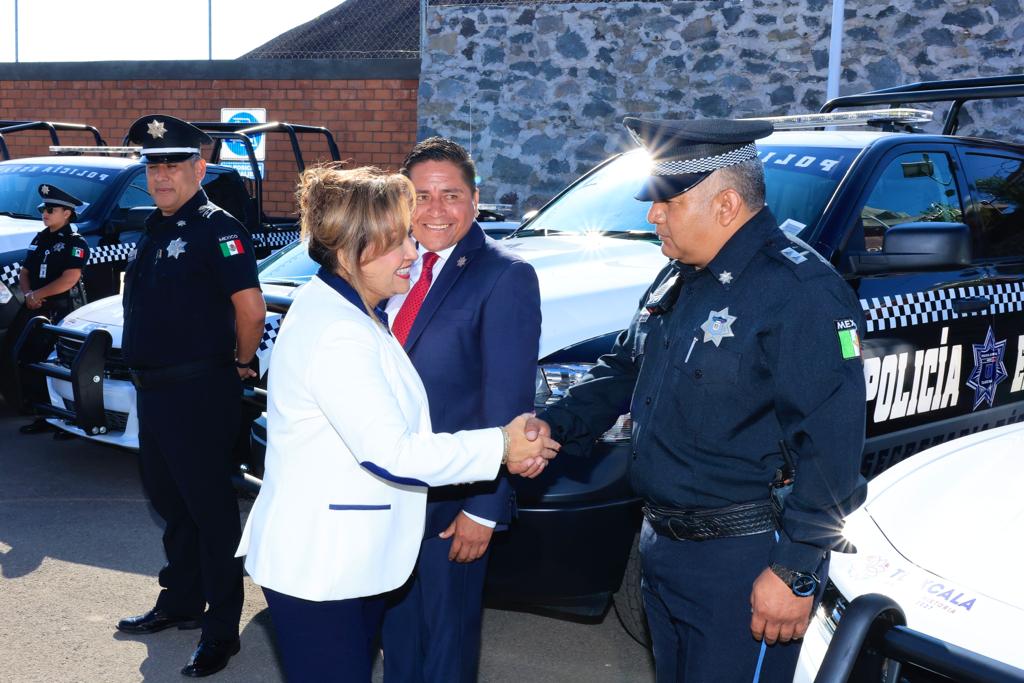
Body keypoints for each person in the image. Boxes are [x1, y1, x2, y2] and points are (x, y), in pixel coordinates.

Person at [529, 117, 867, 682]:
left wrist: (796, 568)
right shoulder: (679, 275)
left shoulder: (800, 291)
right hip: (663, 546)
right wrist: (555, 424)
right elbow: (625, 367)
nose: (653, 215)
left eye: (668, 202)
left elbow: (831, 444)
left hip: (745, 558)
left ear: (726, 205)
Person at [234, 165, 558, 682]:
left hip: (349, 558)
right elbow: (394, 452)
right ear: (349, 251)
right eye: (395, 242)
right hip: (324, 566)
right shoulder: (339, 330)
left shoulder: (353, 309)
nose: (412, 252)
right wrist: (501, 446)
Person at [380, 137, 542, 683]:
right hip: (390, 493)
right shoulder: (389, 266)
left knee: (445, 649)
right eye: (420, 196)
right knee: (399, 641)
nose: (435, 210)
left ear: (475, 199)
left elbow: (509, 405)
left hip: (454, 505)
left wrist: (484, 510)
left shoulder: (504, 275)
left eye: (450, 195)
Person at [115, 115, 266, 679]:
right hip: (155, 392)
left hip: (199, 390)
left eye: (173, 164)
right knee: (170, 501)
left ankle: (221, 629)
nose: (161, 175)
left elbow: (251, 310)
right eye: (153, 165)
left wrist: (241, 363)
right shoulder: (154, 226)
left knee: (210, 512)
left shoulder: (217, 227)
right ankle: (181, 600)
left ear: (199, 168)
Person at [1, 184, 89, 431]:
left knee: (60, 364)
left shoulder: (75, 242)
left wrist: (36, 295)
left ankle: (70, 418)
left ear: (67, 213)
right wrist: (29, 295)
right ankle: (42, 413)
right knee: (28, 357)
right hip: (37, 307)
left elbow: (69, 279)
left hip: (63, 309)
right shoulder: (41, 237)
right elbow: (25, 271)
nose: (45, 213)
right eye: (43, 209)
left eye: (51, 210)